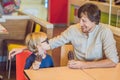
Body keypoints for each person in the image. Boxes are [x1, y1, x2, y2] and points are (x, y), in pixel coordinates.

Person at [9, 3, 119, 69]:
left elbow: (113, 61)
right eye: (80, 19)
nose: (80, 24)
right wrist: (26, 48)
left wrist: (84, 65)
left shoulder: (105, 32)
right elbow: (52, 43)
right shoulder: (73, 29)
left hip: (97, 72)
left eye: (84, 21)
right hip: (76, 72)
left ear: (94, 20)